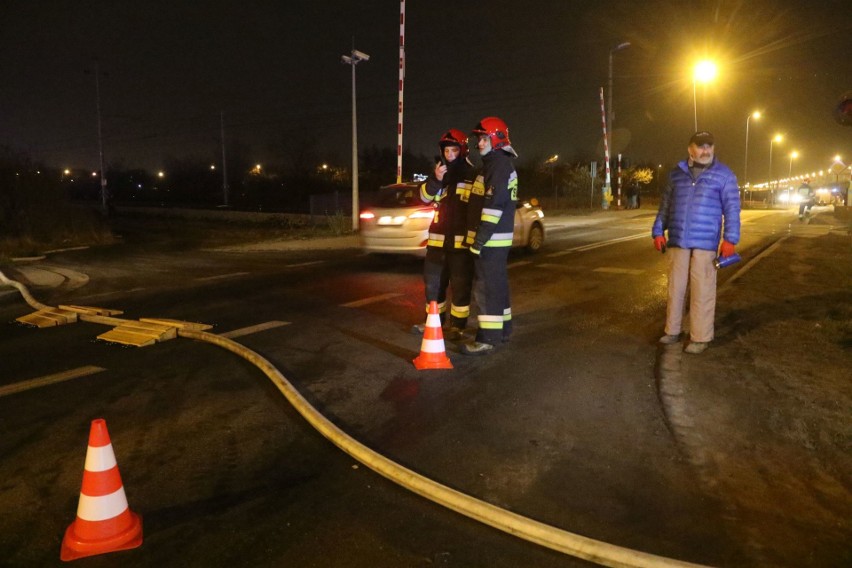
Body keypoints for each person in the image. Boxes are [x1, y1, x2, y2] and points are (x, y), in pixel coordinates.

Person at [651, 131, 741, 354]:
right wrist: (657, 231)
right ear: (690, 149)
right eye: (701, 146)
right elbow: (665, 206)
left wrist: (730, 239)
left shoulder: (724, 175)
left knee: (703, 290)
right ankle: (673, 330)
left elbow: (732, 210)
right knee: (675, 288)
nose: (706, 151)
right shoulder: (676, 175)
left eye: (709, 146)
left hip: (706, 243)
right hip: (678, 240)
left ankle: (700, 337)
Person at [462, 116, 518, 355]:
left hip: (491, 240)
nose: (479, 144)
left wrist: (479, 240)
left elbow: (494, 207)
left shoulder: (498, 166)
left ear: (496, 139)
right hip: (496, 239)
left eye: (483, 138)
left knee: (486, 288)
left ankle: (487, 338)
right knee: (497, 285)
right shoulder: (496, 165)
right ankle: (503, 330)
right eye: (478, 139)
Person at [414, 129, 476, 340]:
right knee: (433, 285)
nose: (449, 155)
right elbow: (423, 198)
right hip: (437, 243)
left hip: (461, 246)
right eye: (446, 151)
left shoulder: (473, 176)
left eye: (454, 150)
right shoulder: (439, 174)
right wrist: (435, 179)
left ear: (463, 151)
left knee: (460, 287)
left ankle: (458, 326)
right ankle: (433, 322)